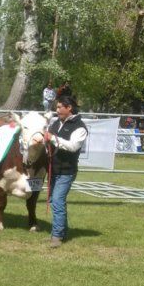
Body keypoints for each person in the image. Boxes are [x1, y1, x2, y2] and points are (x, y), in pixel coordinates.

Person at [44, 95, 87, 248]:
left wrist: (53, 138)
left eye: (59, 107)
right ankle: (62, 232)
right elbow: (47, 139)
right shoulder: (56, 123)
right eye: (57, 107)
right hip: (53, 170)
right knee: (56, 202)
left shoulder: (80, 127)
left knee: (57, 201)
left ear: (69, 108)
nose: (57, 110)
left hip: (67, 171)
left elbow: (73, 146)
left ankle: (56, 236)